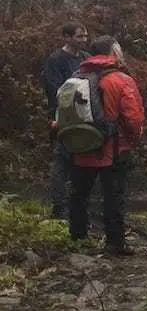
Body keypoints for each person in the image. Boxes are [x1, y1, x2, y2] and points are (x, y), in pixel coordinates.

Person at [68, 36, 145, 256]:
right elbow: (133, 117)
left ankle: (78, 238)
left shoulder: (78, 76)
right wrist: (134, 138)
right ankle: (115, 242)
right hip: (113, 148)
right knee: (113, 196)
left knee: (79, 195)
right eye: (118, 48)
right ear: (112, 51)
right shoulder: (121, 79)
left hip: (81, 145)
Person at [43, 22, 89, 218]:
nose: (84, 40)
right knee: (62, 160)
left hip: (86, 115)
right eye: (79, 36)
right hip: (63, 115)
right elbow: (54, 90)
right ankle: (59, 206)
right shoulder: (55, 60)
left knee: (82, 159)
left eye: (85, 36)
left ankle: (78, 205)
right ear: (67, 37)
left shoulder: (86, 58)